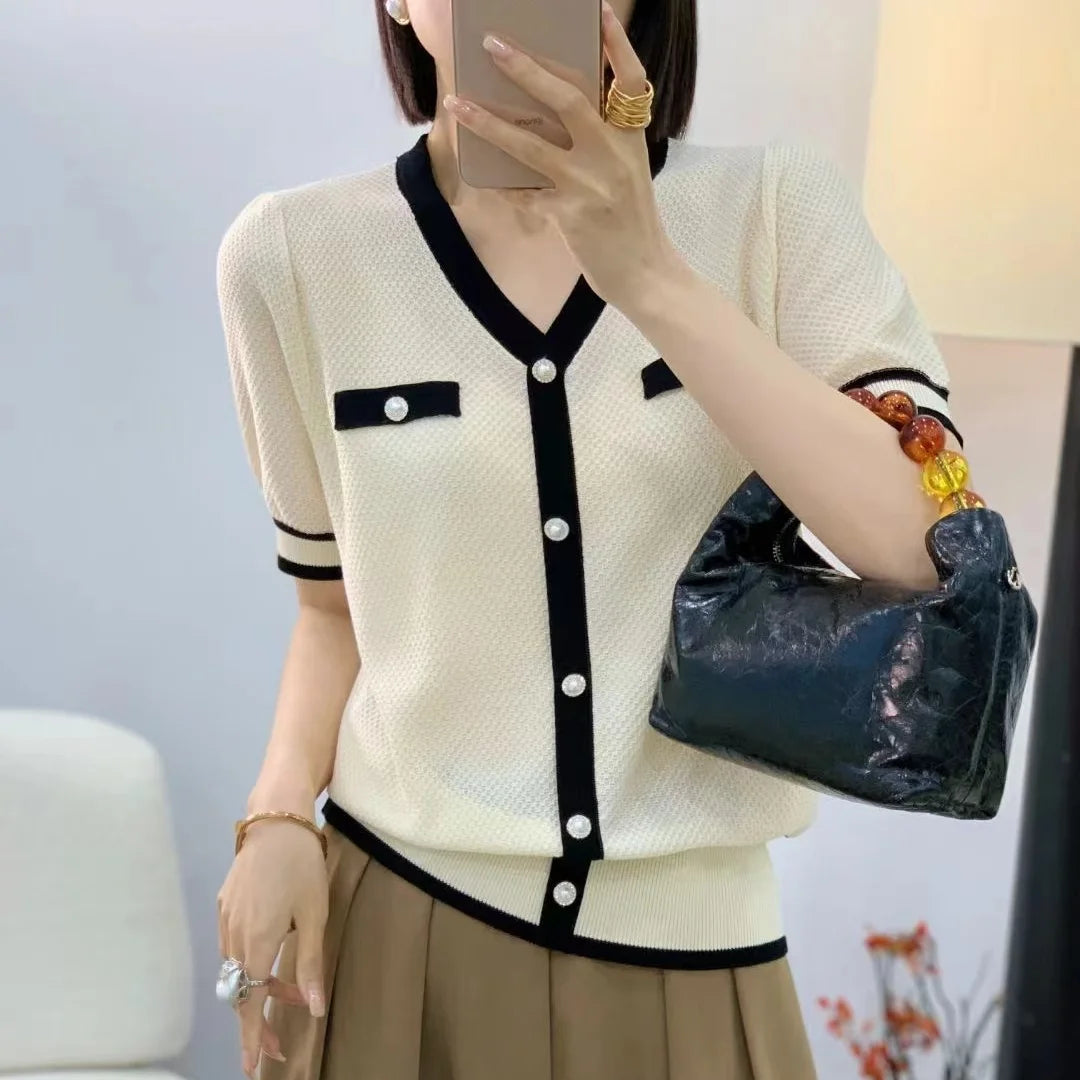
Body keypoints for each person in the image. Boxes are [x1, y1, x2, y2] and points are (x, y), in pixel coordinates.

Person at [214, 0, 966, 1077]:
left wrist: (650, 273)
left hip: (701, 963)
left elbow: (924, 545)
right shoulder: (292, 257)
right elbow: (332, 609)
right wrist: (280, 815)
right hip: (402, 931)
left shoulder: (772, 211)